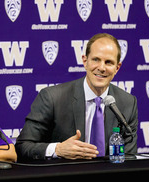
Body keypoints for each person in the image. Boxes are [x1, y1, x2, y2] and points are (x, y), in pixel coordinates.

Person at [15, 33, 138, 161]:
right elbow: (22, 147)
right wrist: (58, 149)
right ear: (85, 61)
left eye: (109, 62)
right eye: (96, 59)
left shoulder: (127, 103)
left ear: (117, 68)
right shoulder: (52, 98)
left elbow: (129, 157)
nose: (101, 68)